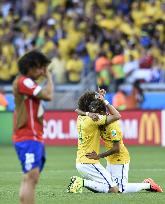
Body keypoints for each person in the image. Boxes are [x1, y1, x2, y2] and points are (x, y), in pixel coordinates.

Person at [85, 91, 163, 193]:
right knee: (109, 187)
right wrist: (101, 98)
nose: (94, 117)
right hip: (111, 159)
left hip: (119, 159)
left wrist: (99, 156)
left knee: (120, 189)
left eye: (97, 114)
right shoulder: (103, 120)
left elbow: (116, 148)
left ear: (103, 113)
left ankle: (147, 185)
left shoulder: (113, 126)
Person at [12, 50, 54, 204]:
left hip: (33, 136)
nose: (42, 71)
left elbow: (47, 94)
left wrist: (46, 76)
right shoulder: (24, 81)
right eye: (39, 67)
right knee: (31, 177)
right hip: (27, 136)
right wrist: (48, 76)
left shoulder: (28, 83)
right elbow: (49, 95)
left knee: (30, 178)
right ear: (29, 67)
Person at [67, 90, 121, 194]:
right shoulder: (94, 119)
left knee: (104, 186)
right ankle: (81, 182)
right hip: (90, 162)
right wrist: (104, 101)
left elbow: (77, 110)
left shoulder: (81, 117)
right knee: (114, 189)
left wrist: (95, 103)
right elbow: (117, 115)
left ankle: (81, 182)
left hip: (81, 161)